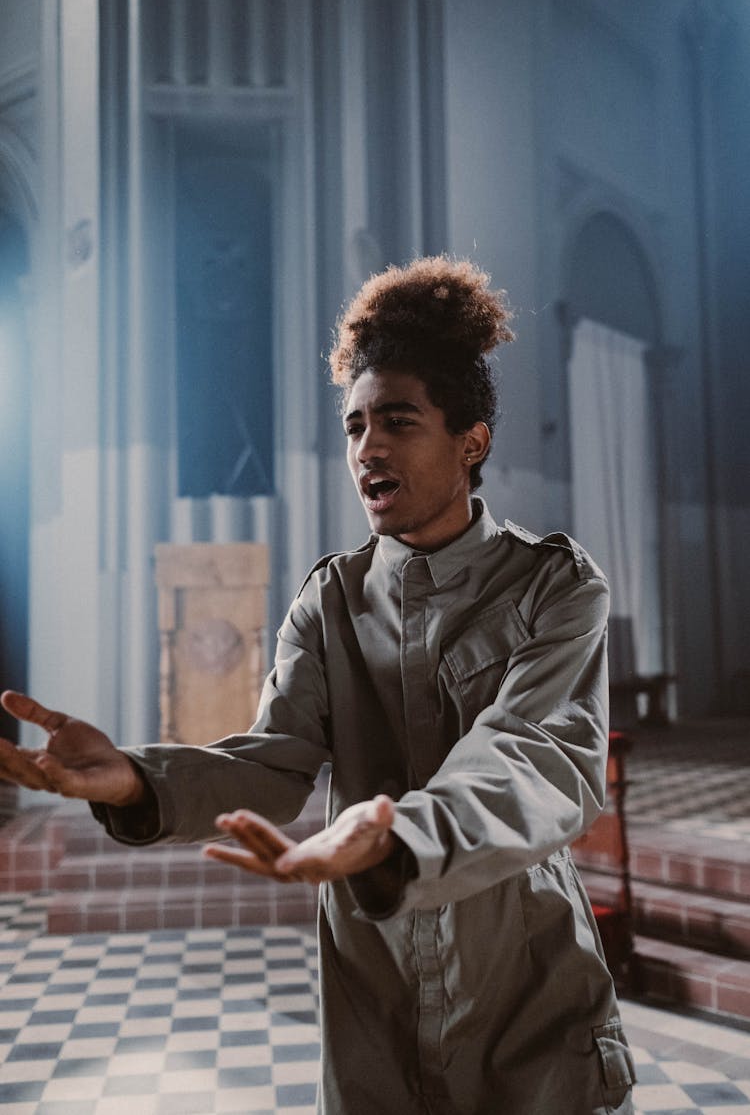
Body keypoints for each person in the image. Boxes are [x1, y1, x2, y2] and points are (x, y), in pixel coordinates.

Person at [0, 256, 635, 1114]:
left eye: (398, 422)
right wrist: (136, 779)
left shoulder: (554, 588)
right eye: (353, 426)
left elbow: (535, 756)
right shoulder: (330, 599)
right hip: (375, 1013)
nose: (366, 447)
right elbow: (271, 762)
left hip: (529, 1004)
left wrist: (397, 834)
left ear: (472, 441)